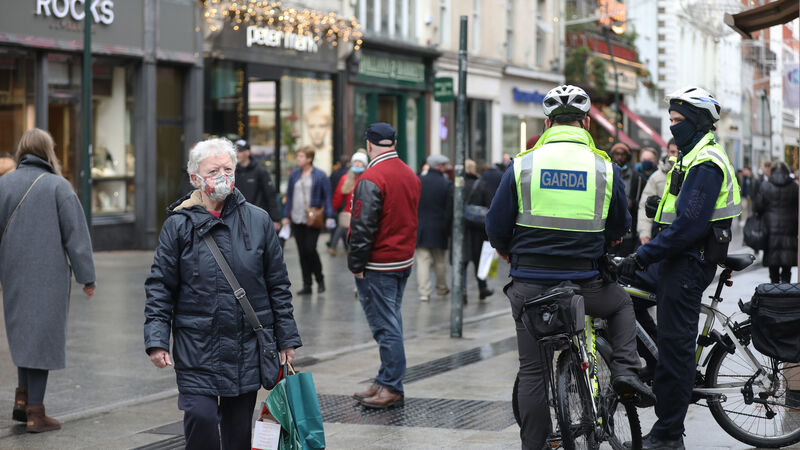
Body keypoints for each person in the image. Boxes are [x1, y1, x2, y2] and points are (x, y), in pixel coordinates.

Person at [485, 85, 654, 450]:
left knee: (532, 371)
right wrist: (605, 241)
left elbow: (495, 225)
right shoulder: (605, 167)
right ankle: (626, 370)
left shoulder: (522, 164)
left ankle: (535, 445)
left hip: (531, 287)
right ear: (587, 124)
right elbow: (620, 225)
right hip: (586, 284)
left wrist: (507, 250)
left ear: (547, 124)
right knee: (622, 304)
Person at [144, 137, 301, 450]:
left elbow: (277, 285)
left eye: (227, 169)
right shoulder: (178, 226)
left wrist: (287, 338)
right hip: (196, 345)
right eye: (213, 170)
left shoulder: (258, 221)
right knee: (200, 418)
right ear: (195, 178)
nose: (222, 176)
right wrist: (157, 339)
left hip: (244, 346)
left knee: (237, 433)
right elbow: (160, 285)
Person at [618, 86, 741, 449]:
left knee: (677, 349)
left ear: (699, 122)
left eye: (678, 121)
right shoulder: (690, 155)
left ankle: (669, 433)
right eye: (670, 120)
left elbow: (688, 227)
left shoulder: (705, 162)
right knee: (624, 295)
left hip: (689, 263)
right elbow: (682, 211)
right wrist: (656, 209)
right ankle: (658, 365)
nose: (672, 128)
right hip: (677, 257)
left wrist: (642, 255)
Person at [0, 128, 96, 433]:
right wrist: (87, 277)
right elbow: (76, 237)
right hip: (48, 277)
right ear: (48, 151)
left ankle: (22, 400)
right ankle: (36, 414)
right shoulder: (58, 186)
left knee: (24, 336)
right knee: (40, 340)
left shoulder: (4, 184)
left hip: (12, 274)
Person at [349, 122, 421, 409]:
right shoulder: (410, 174)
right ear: (392, 142)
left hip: (379, 263)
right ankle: (384, 379)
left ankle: (391, 385)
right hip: (402, 259)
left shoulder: (372, 177)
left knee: (385, 326)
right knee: (392, 321)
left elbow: (363, 226)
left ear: (369, 144)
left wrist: (356, 263)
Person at [281, 146, 335, 295]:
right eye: (298, 156)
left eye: (301, 156)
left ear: (309, 159)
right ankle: (307, 284)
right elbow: (289, 197)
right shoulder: (294, 175)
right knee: (302, 253)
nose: (298, 159)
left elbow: (327, 197)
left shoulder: (320, 175)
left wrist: (329, 215)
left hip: (313, 219)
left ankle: (320, 278)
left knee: (310, 249)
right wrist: (286, 216)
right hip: (297, 219)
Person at [416, 153, 453, 302]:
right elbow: (449, 209)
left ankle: (424, 292)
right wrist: (448, 228)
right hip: (439, 228)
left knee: (422, 261)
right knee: (439, 261)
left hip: (421, 227)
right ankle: (441, 289)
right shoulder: (446, 184)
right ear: (440, 166)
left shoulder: (419, 181)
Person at [753, 161, 798, 283]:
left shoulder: (765, 186)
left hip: (770, 230)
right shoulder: (795, 186)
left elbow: (757, 207)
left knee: (773, 269)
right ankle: (786, 292)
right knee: (786, 269)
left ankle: (774, 294)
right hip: (790, 229)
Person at [637, 139, 679, 245]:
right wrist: (645, 234)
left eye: (679, 152)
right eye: (673, 152)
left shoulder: (692, 173)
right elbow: (644, 206)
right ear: (668, 152)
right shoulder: (657, 177)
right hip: (661, 232)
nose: (676, 155)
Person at [463, 159, 494, 302]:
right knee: (479, 260)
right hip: (478, 231)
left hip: (461, 230)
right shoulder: (481, 185)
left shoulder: (457, 185)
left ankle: (462, 290)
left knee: (461, 262)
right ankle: (482, 287)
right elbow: (489, 207)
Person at [234, 139, 281, 230]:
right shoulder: (232, 171)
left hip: (256, 219)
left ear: (247, 153)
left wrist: (275, 219)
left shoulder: (260, 171)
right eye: (235, 151)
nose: (236, 154)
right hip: (237, 219)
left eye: (239, 151)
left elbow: (270, 195)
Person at [609, 142, 645, 256]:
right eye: (616, 154)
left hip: (630, 233)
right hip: (611, 232)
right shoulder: (607, 174)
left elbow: (643, 203)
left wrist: (632, 203)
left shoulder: (638, 178)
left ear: (628, 157)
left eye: (623, 154)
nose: (619, 157)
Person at [330, 151, 369, 255]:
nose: (357, 164)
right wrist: (332, 211)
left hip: (364, 215)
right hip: (349, 213)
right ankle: (337, 247)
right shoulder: (345, 179)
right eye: (355, 161)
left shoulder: (369, 178)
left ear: (364, 164)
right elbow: (337, 197)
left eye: (360, 162)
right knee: (344, 230)